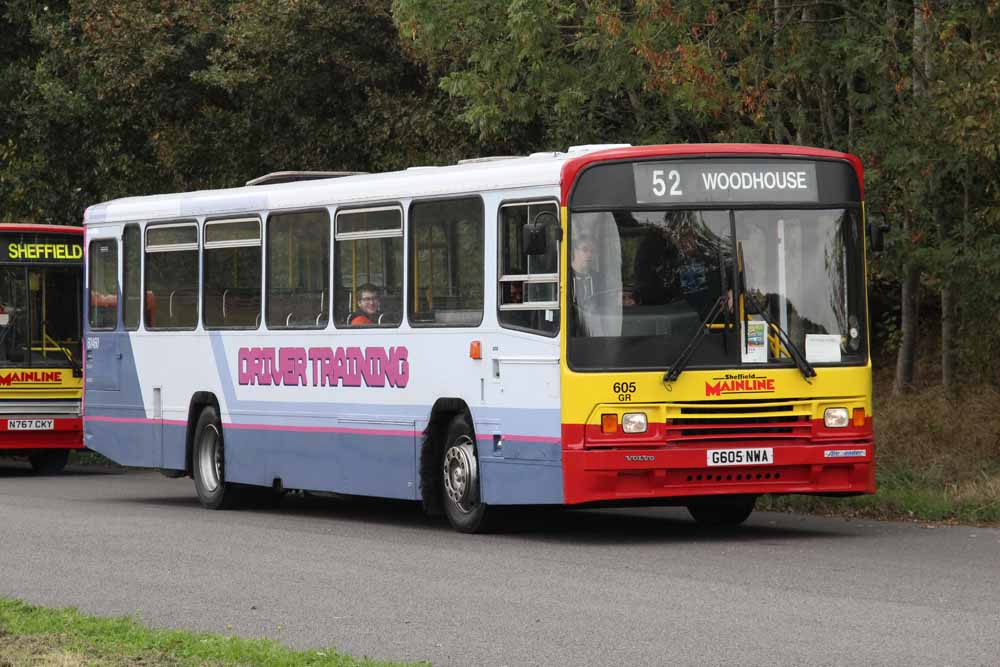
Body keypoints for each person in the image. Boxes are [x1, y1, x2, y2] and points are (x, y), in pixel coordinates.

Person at [571, 235, 596, 304]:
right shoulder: (565, 276)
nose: (589, 254)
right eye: (585, 249)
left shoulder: (598, 278)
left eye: (592, 251)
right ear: (574, 251)